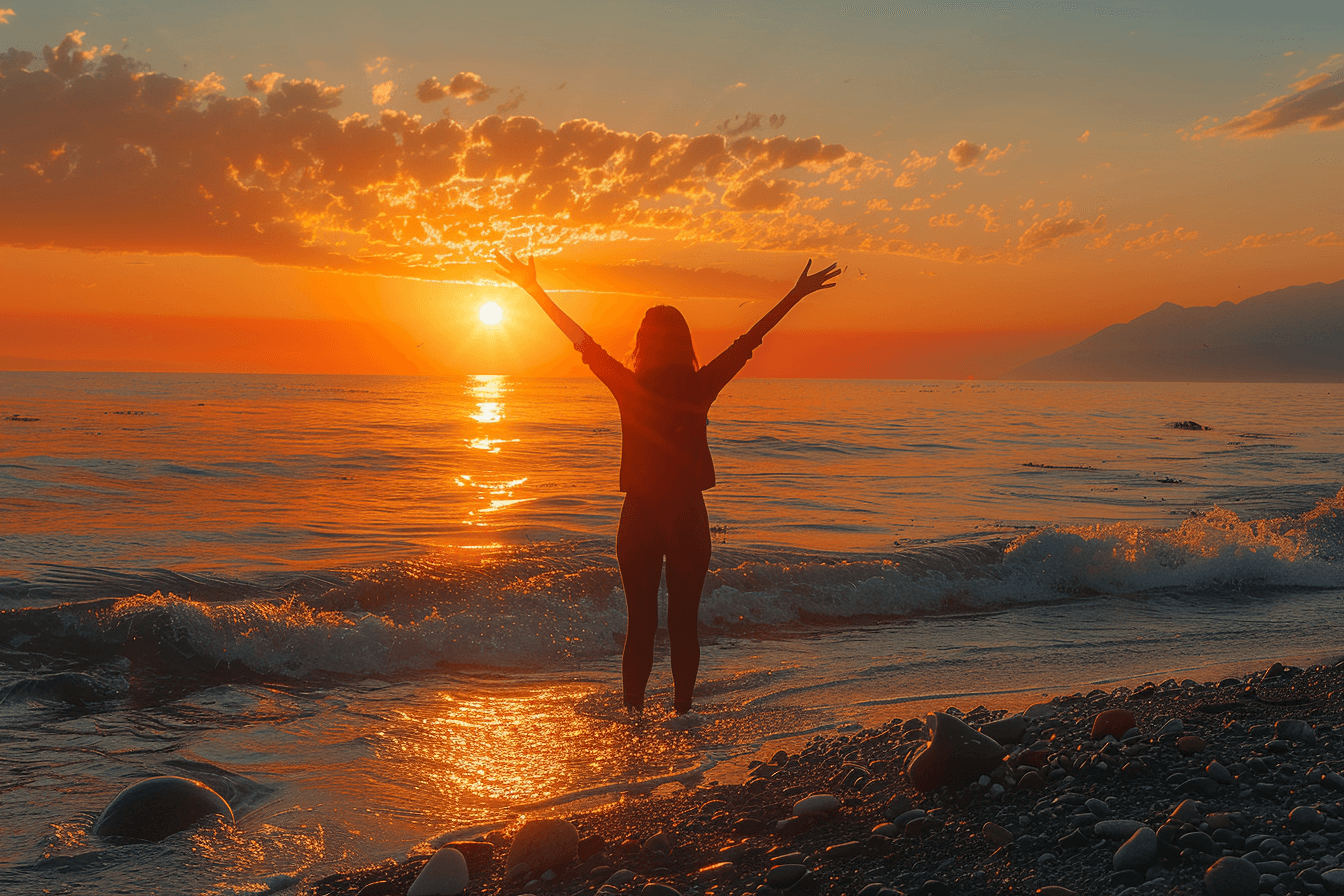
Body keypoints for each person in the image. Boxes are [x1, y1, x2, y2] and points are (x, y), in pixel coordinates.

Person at [493, 250, 841, 714]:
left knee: (640, 623)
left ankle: (633, 715)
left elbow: (582, 340)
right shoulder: (701, 385)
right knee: (684, 623)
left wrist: (533, 289)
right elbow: (750, 339)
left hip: (638, 513)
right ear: (685, 343)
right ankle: (682, 714)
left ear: (642, 343)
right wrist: (795, 294)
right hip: (687, 515)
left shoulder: (628, 387)